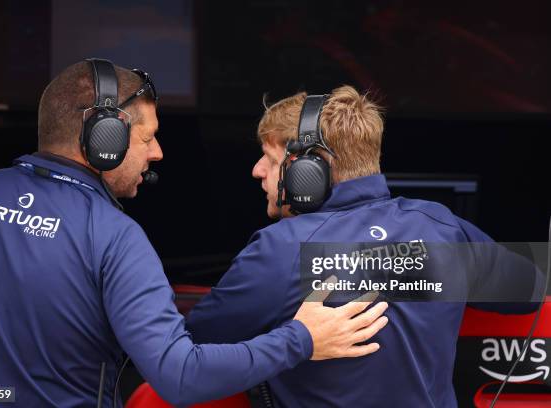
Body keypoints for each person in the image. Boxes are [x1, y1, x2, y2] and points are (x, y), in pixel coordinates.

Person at [0, 60, 390, 407]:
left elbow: (209, 331)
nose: (157, 152)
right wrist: (302, 338)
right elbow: (182, 369)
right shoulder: (445, 234)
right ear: (104, 139)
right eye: (147, 137)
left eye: (267, 161)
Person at [185, 86, 544, 407]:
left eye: (271, 159)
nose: (257, 170)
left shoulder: (280, 249)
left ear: (309, 170)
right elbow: (528, 290)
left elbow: (187, 350)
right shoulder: (440, 227)